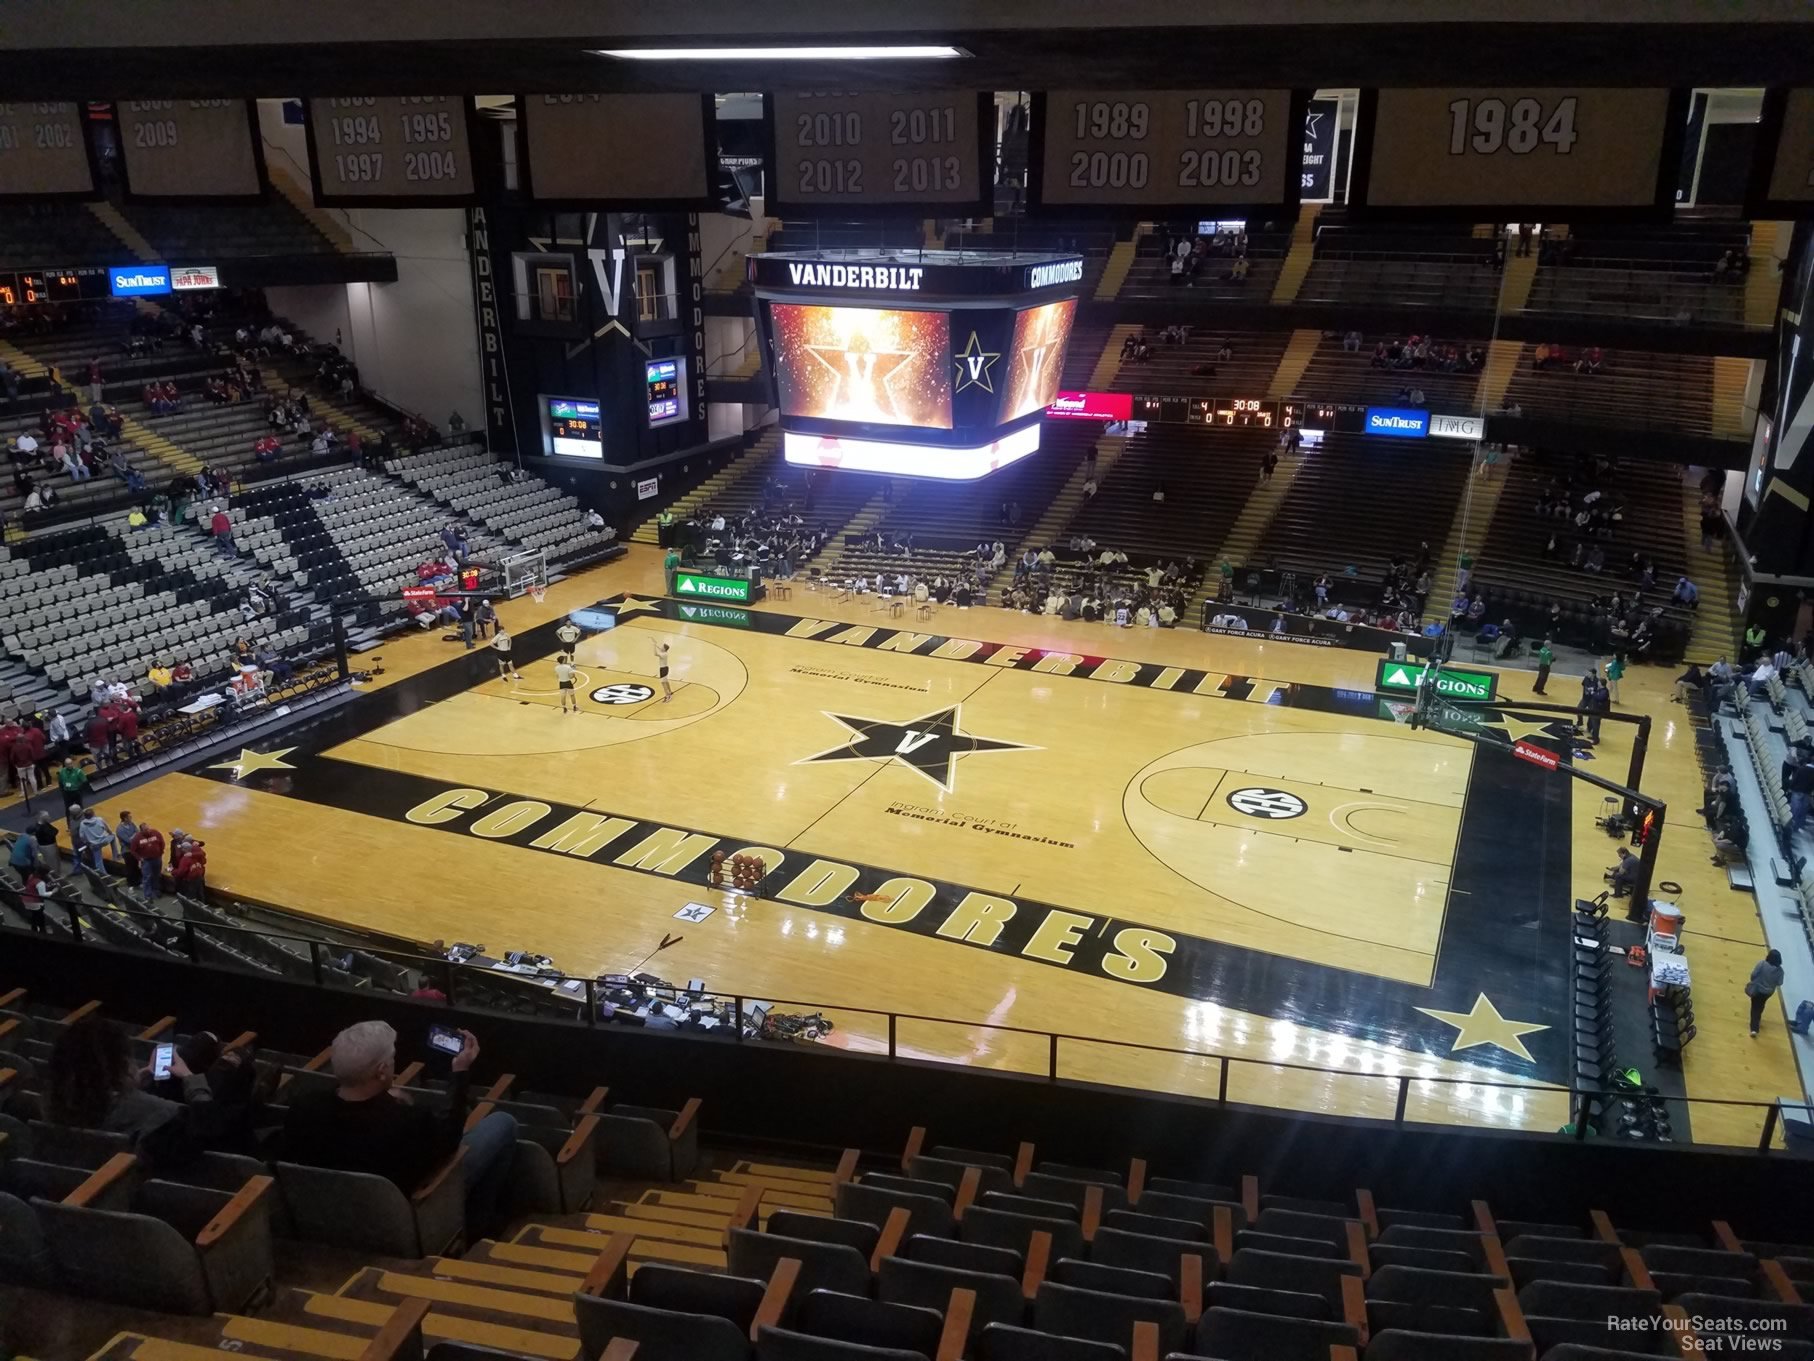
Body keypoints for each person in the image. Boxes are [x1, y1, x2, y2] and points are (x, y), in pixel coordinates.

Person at [281, 1021, 518, 1239]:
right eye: (393, 1057)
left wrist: (382, 1099)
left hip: (327, 1217)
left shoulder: (303, 1108)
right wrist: (460, 1071)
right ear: (382, 1071)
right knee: (503, 1123)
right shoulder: (408, 1120)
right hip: (407, 1215)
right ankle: (475, 1229)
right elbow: (450, 1140)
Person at [44, 1015, 223, 1170]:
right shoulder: (166, 1113)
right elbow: (206, 1122)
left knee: (196, 1048)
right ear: (121, 1064)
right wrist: (190, 1078)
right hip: (164, 1161)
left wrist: (131, 1082)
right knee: (228, 1067)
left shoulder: (55, 1106)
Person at [1746, 950, 1785, 1038]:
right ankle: (1758, 1019)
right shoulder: (1780, 971)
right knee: (1761, 1004)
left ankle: (1754, 1029)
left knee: (1754, 1008)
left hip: (1757, 989)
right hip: (1768, 992)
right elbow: (1780, 983)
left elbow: (1753, 975)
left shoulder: (1762, 964)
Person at [130, 820, 166, 897]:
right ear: (141, 831)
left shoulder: (156, 833)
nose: (148, 831)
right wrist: (139, 858)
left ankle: (156, 891)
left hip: (157, 858)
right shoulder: (137, 838)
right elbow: (133, 850)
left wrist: (161, 852)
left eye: (148, 828)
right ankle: (148, 895)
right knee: (147, 877)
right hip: (146, 861)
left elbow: (162, 843)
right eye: (146, 830)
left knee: (157, 875)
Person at [75, 806, 113, 874]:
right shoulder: (99, 819)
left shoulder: (82, 824)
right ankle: (115, 855)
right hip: (104, 841)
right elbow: (108, 829)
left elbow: (82, 836)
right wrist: (110, 833)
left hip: (94, 844)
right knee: (113, 836)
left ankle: (104, 876)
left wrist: (87, 842)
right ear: (93, 814)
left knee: (98, 861)